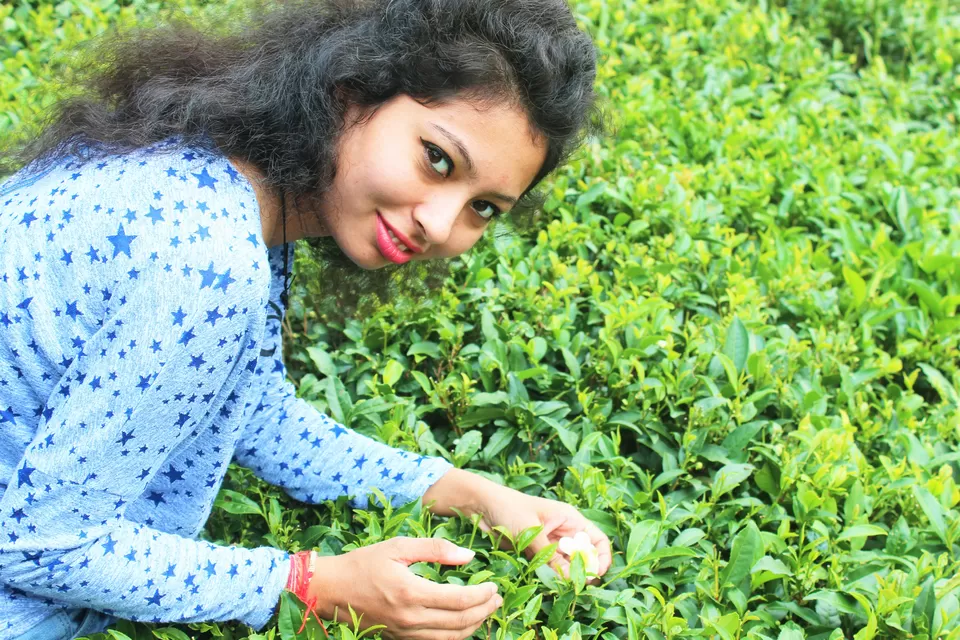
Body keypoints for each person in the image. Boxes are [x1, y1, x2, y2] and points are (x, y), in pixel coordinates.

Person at [0, 0, 611, 637]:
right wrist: (312, 585)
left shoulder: (211, 167)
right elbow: (44, 543)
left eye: (483, 207)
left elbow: (250, 408)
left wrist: (473, 496)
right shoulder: (207, 264)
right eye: (437, 159)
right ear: (350, 92)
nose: (439, 223)